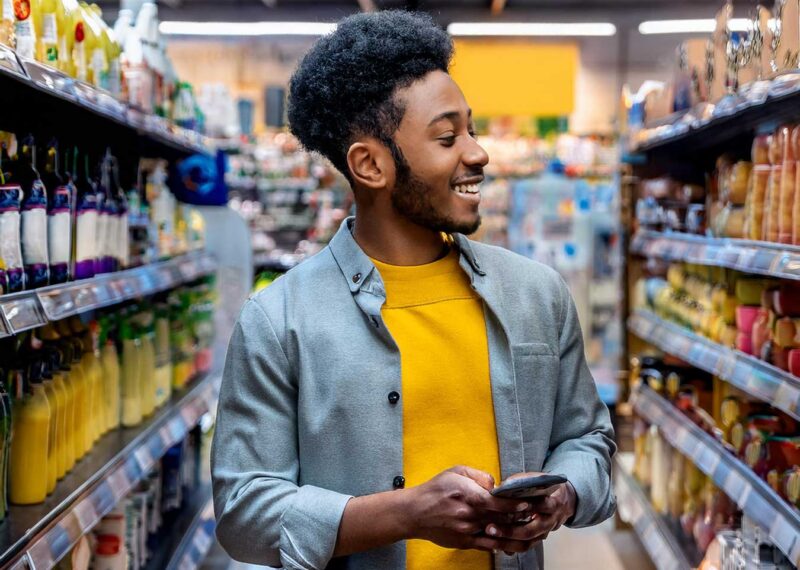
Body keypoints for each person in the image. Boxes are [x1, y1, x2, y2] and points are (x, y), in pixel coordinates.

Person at [211, 10, 616, 570]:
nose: (477, 153)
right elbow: (243, 510)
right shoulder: (280, 321)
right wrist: (405, 514)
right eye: (447, 137)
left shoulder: (536, 296)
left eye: (471, 130)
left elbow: (589, 437)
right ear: (370, 165)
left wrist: (564, 491)